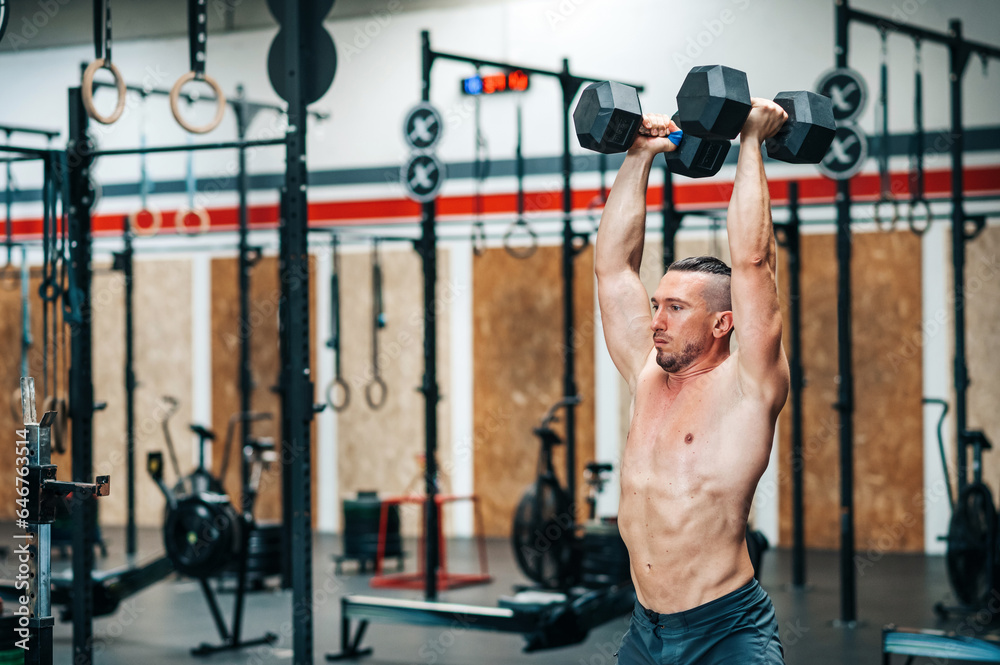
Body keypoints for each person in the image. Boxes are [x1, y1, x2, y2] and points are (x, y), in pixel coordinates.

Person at [595, 99, 791, 664]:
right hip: (645, 629)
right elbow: (613, 270)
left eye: (676, 308)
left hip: (725, 631)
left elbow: (753, 262)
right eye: (657, 305)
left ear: (723, 323)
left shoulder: (749, 386)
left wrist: (751, 141)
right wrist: (640, 154)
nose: (656, 320)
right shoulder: (647, 372)